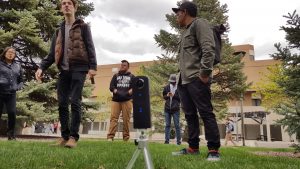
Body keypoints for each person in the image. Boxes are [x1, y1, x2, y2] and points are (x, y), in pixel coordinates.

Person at [35, 0, 97, 148]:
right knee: (62, 103)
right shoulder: (58, 30)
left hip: (79, 68)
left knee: (75, 101)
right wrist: (41, 67)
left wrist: (93, 66)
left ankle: (73, 137)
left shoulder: (83, 27)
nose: (66, 5)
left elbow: (90, 46)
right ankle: (64, 136)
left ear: (75, 7)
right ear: (61, 8)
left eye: (69, 3)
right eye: (63, 3)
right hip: (64, 70)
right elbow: (52, 54)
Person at [171, 1, 221, 161]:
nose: (176, 16)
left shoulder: (200, 24)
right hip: (184, 80)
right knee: (190, 115)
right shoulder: (185, 31)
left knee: (206, 113)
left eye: (177, 12)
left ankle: (213, 150)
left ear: (184, 12)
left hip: (197, 78)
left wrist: (204, 73)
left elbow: (209, 49)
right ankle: (193, 147)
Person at [107, 60, 135, 141]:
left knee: (126, 119)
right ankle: (110, 137)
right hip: (116, 100)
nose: (122, 66)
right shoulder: (116, 76)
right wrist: (117, 92)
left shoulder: (132, 76)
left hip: (127, 100)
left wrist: (128, 93)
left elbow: (134, 87)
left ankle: (126, 138)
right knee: (113, 118)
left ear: (128, 67)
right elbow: (111, 87)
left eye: (124, 65)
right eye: (121, 65)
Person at [0, 47, 23, 140]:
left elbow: (21, 80)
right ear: (5, 53)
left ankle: (11, 136)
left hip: (11, 93)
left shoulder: (18, 66)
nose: (11, 54)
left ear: (15, 55)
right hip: (0, 92)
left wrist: (18, 87)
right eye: (9, 52)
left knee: (12, 113)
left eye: (13, 52)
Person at [163, 74, 181, 145]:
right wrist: (167, 95)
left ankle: (178, 142)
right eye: (171, 81)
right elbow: (164, 97)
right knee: (167, 125)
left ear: (176, 81)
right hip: (167, 109)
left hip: (176, 109)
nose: (172, 83)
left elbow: (180, 98)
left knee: (177, 125)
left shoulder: (179, 88)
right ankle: (166, 141)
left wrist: (174, 95)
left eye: (173, 82)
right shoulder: (166, 87)